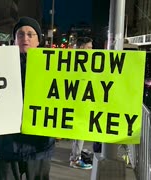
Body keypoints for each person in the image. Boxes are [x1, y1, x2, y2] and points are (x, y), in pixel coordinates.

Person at [0, 17, 55, 180]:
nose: (25, 38)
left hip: (39, 145)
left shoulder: (53, 68)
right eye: (20, 34)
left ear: (38, 40)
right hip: (7, 144)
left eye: (30, 34)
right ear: (14, 40)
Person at [69, 37, 93, 170]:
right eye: (89, 47)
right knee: (80, 130)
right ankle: (75, 158)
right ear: (81, 47)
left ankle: (75, 156)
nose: (91, 50)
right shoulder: (77, 62)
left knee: (79, 131)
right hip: (78, 102)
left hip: (81, 101)